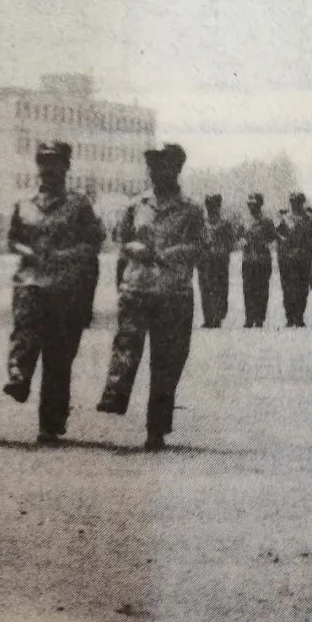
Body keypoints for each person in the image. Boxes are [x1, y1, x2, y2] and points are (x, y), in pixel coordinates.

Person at [97, 144, 203, 451]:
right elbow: (122, 241)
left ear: (176, 170)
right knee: (126, 350)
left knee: (167, 361)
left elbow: (201, 247)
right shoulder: (136, 205)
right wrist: (134, 251)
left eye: (164, 168)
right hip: (138, 289)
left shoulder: (191, 209)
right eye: (153, 168)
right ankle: (114, 399)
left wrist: (169, 253)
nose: (157, 174)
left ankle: (156, 429)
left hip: (173, 293)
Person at [4, 141, 104, 445]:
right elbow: (12, 240)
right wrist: (28, 251)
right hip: (30, 284)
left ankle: (50, 424)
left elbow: (93, 243)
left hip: (66, 289)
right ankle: (18, 379)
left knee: (58, 358)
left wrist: (65, 254)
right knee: (24, 337)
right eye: (44, 162)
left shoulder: (79, 205)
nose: (49, 168)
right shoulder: (24, 204)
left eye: (55, 162)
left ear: (66, 167)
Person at [275, 192, 312, 327]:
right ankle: (290, 316)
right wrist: (283, 243)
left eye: (297, 201)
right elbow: (277, 234)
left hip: (303, 258)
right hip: (287, 259)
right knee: (288, 288)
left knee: (302, 288)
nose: (294, 204)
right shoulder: (284, 218)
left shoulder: (308, 218)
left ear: (302, 202)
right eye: (292, 201)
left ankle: (299, 316)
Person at [239, 193, 277, 328]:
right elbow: (238, 235)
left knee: (262, 289)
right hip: (248, 259)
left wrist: (265, 243)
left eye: (254, 204)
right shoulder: (244, 220)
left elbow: (273, 237)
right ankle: (249, 318)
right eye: (249, 204)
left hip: (262, 260)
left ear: (260, 205)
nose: (251, 207)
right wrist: (242, 241)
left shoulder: (267, 221)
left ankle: (260, 318)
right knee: (248, 289)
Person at [197, 194, 233, 328]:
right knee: (205, 288)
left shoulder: (224, 223)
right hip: (205, 261)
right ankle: (208, 318)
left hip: (220, 260)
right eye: (209, 207)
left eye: (213, 207)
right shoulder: (202, 224)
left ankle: (217, 317)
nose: (211, 209)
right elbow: (197, 241)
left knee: (220, 288)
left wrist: (222, 251)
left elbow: (230, 242)